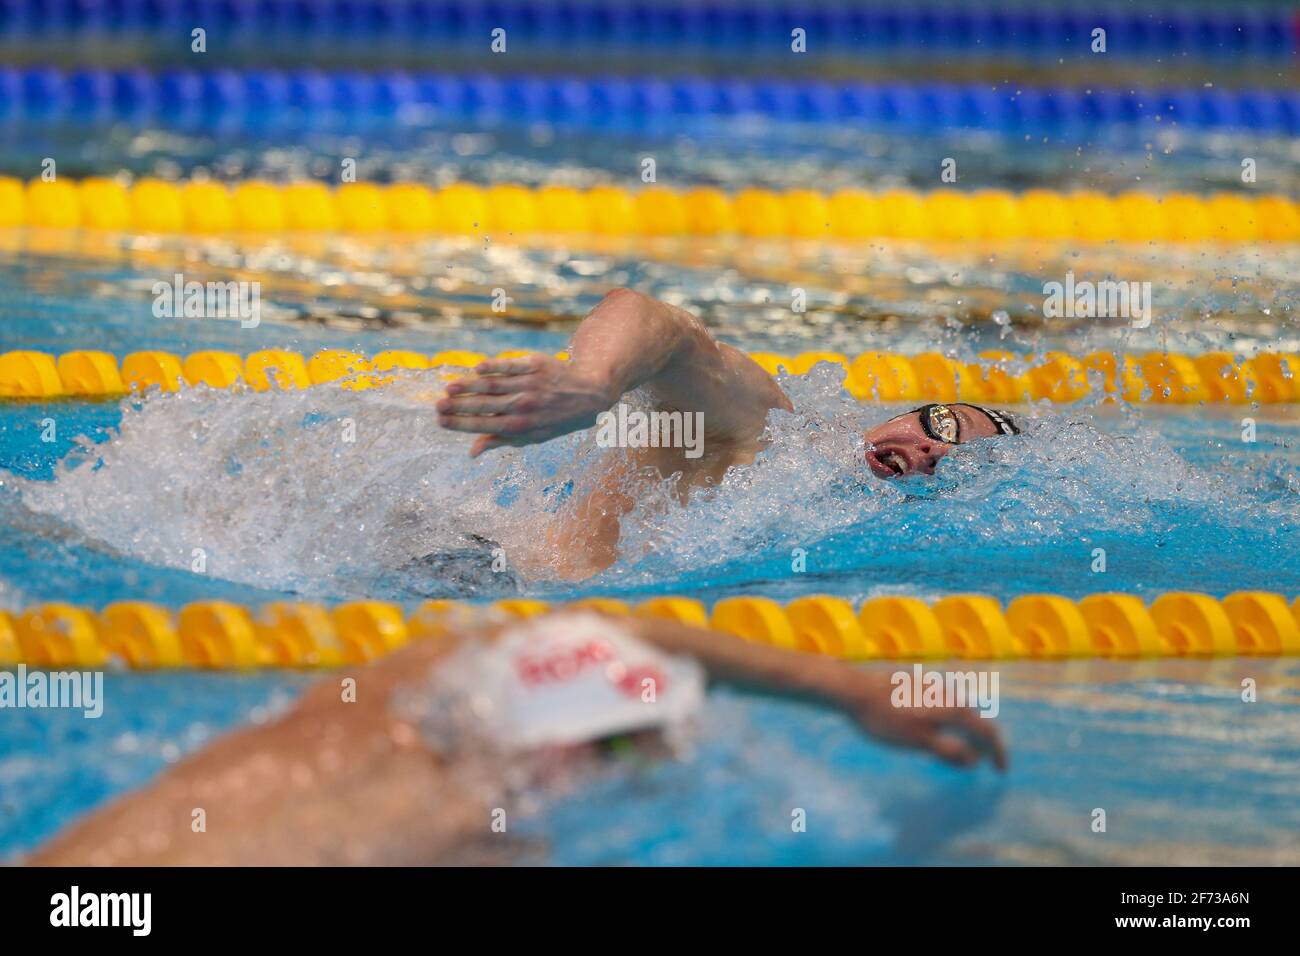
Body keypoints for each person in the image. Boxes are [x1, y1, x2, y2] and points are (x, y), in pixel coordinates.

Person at [28, 609, 1005, 866]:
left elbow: (609, 629)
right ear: (564, 754)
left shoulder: (403, 686)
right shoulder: (464, 820)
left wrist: (850, 689)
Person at [436, 288, 1020, 578]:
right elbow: (657, 323)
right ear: (906, 414)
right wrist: (593, 383)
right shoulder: (769, 433)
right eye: (944, 425)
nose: (931, 451)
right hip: (478, 573)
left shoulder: (842, 546)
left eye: (952, 465)